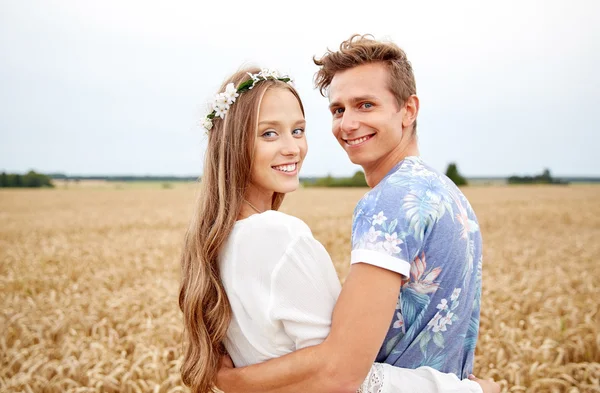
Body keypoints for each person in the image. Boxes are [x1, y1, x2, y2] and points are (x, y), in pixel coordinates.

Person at [179, 67, 498, 393]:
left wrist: (235, 382)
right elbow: (342, 377)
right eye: (269, 134)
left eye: (299, 130)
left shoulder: (219, 239)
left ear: (409, 110)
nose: (292, 148)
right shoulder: (446, 195)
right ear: (232, 144)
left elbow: (337, 371)